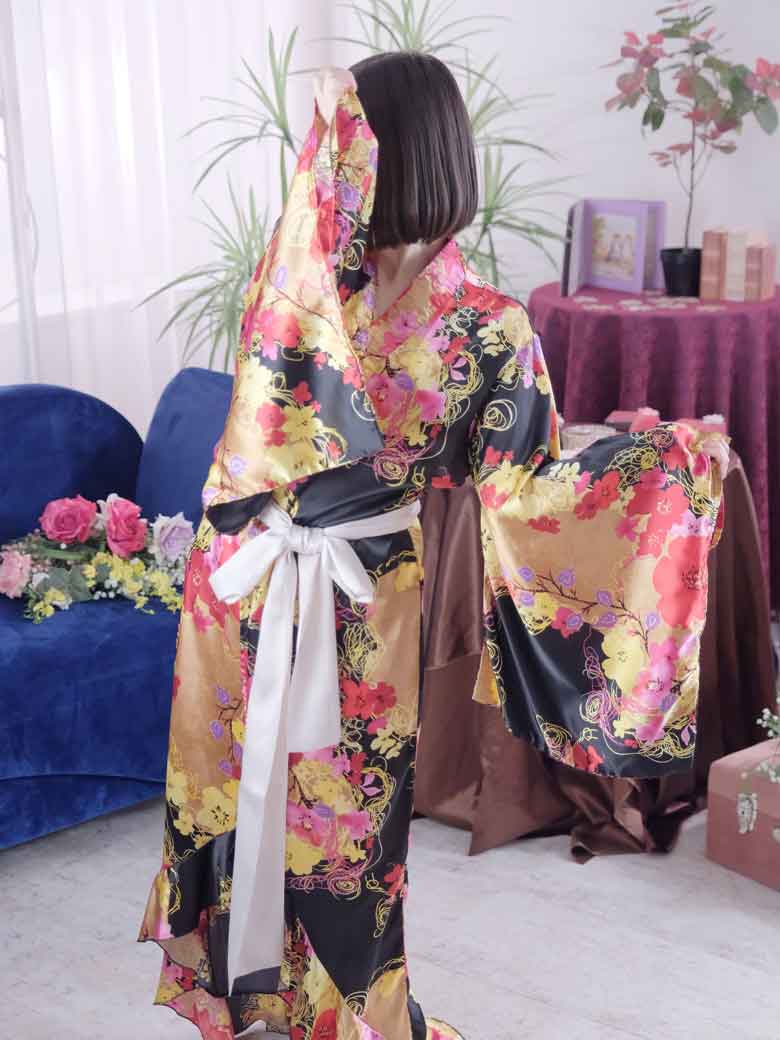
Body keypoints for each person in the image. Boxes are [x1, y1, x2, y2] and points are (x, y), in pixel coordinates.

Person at [137, 52, 726, 1040]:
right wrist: (675, 456)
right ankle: (278, 997)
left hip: (307, 588)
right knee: (258, 798)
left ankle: (325, 1007)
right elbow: (529, 486)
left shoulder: (348, 298)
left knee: (326, 815)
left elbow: (523, 489)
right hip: (272, 582)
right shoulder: (388, 301)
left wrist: (659, 457)